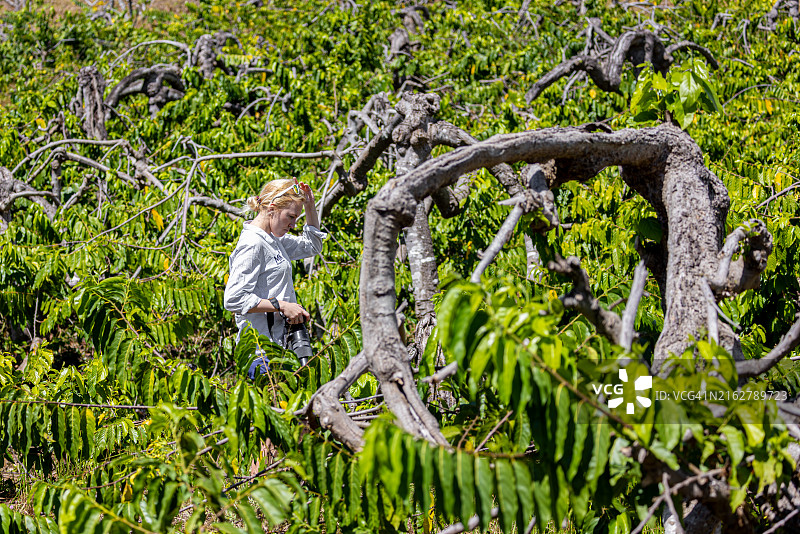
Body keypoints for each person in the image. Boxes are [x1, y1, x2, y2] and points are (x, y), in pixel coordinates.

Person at [224, 178, 326, 378]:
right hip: (261, 354)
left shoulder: (273, 239)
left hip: (279, 349)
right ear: (272, 208)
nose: (293, 224)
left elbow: (312, 247)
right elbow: (233, 299)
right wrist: (282, 306)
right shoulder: (253, 244)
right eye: (291, 216)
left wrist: (310, 205)